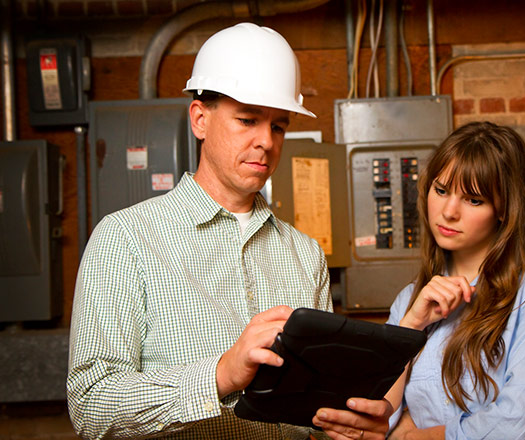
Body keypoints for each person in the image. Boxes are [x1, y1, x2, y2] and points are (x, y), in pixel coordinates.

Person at [67, 22, 390, 439]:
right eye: (247, 119)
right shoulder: (126, 239)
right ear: (200, 119)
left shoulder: (304, 253)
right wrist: (219, 376)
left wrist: (345, 427)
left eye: (278, 125)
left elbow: (313, 408)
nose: (266, 142)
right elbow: (91, 403)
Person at [379, 121, 525, 439]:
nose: (449, 211)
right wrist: (409, 327)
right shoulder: (409, 299)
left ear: (504, 209)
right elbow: (375, 418)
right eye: (441, 191)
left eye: (473, 200)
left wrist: (418, 435)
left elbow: (519, 427)